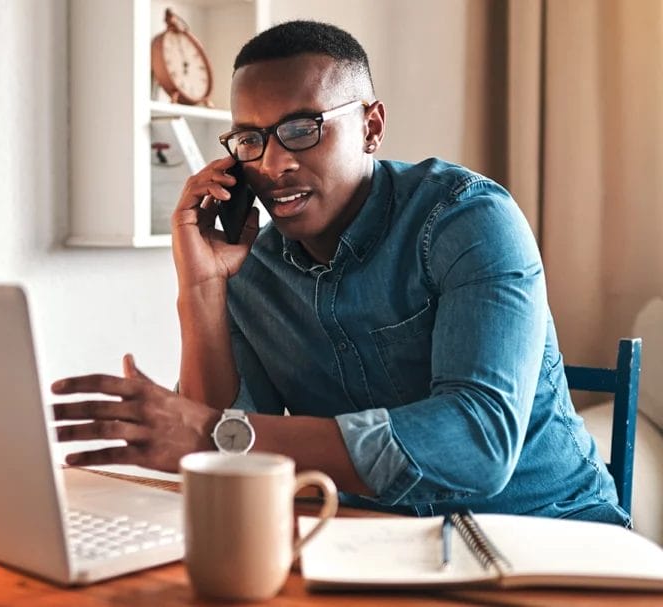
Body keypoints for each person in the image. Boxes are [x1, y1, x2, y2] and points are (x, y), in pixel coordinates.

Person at [53, 20, 628, 525]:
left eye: (303, 128)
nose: (274, 164)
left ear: (371, 127)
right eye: (250, 140)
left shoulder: (468, 219)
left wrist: (213, 436)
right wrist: (200, 291)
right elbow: (213, 460)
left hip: (546, 532)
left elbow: (477, 443)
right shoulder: (249, 265)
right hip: (366, 537)